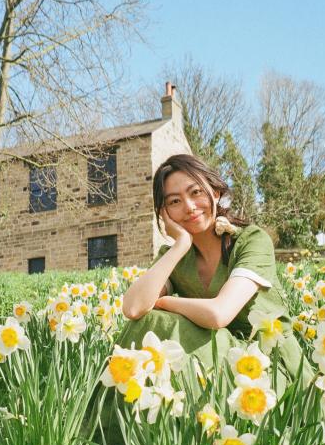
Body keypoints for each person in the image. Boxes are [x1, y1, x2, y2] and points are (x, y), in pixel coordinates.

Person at [119, 153, 312, 384]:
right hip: (219, 360)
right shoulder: (175, 257)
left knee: (157, 320)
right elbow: (132, 308)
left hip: (269, 367)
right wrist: (180, 244)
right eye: (174, 201)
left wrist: (161, 303)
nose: (189, 207)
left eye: (196, 192)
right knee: (146, 323)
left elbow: (218, 314)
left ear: (215, 192)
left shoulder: (250, 240)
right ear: (164, 213)